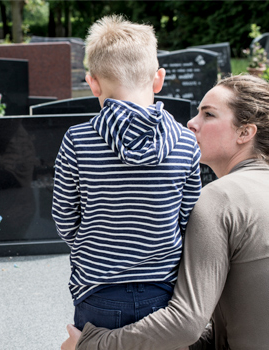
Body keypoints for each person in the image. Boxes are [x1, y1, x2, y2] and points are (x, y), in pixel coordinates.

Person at [61, 73, 269, 350]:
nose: (192, 124)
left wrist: (91, 344)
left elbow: (185, 324)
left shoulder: (219, 200)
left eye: (208, 115)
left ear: (245, 132)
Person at [52, 15, 201, 333]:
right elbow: (189, 218)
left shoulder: (78, 140)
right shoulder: (186, 141)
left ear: (92, 83)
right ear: (158, 79)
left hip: (97, 290)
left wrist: (91, 245)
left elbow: (64, 218)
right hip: (162, 292)